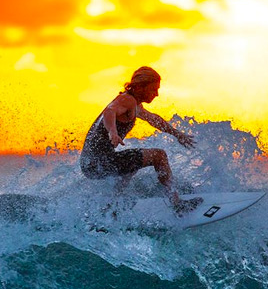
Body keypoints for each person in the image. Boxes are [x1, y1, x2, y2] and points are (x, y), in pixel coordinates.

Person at [80, 66, 202, 213]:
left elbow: (153, 119)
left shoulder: (134, 104)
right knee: (159, 156)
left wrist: (177, 134)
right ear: (139, 87)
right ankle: (176, 203)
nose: (156, 94)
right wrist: (112, 131)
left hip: (91, 164)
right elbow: (109, 111)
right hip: (99, 162)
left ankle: (109, 209)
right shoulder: (127, 100)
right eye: (153, 89)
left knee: (132, 165)